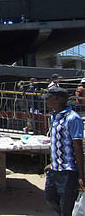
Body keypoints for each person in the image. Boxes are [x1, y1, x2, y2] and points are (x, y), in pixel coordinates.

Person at [43, 87, 84, 216]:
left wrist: (82, 175)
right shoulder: (54, 117)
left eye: (48, 97)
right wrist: (53, 162)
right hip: (55, 170)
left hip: (68, 171)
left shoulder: (73, 118)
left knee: (67, 205)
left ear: (57, 99)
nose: (46, 101)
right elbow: (57, 144)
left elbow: (77, 147)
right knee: (50, 198)